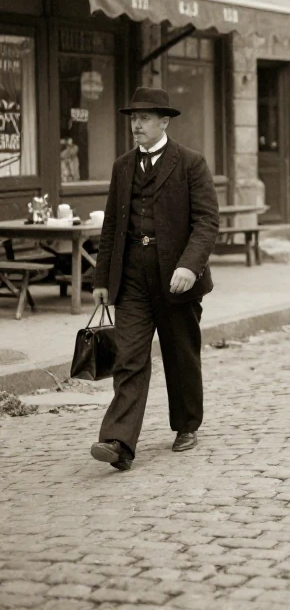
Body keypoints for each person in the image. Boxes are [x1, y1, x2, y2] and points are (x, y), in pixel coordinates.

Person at [90, 87, 219, 472]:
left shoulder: (191, 163)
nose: (137, 125)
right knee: (128, 356)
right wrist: (101, 279)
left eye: (144, 118)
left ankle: (186, 425)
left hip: (176, 276)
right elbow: (111, 224)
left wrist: (189, 266)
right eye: (133, 118)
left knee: (180, 353)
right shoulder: (123, 166)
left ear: (164, 122)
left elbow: (207, 222)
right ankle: (118, 441)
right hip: (131, 276)